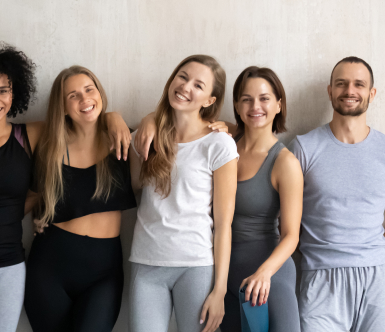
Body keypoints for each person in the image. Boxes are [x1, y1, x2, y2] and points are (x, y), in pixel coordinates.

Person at [0, 46, 132, 332]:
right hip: (10, 262)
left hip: (30, 265)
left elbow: (92, 120)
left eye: (3, 90)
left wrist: (113, 116)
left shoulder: (41, 135)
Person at [292, 56, 385, 331]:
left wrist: (372, 250)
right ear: (330, 90)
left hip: (375, 281)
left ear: (371, 93)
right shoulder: (304, 148)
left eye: (359, 84)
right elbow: (279, 215)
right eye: (341, 84)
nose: (349, 91)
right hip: (319, 279)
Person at [127, 55, 238, 332]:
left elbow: (224, 224)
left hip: (196, 265)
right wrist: (150, 122)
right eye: (183, 76)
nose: (186, 87)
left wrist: (220, 290)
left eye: (198, 85)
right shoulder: (145, 136)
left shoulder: (219, 144)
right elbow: (135, 187)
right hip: (147, 262)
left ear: (209, 100)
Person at [23, 65, 137, 332]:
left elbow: (164, 123)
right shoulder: (48, 144)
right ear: (62, 106)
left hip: (103, 270)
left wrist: (115, 116)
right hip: (49, 265)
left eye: (89, 89)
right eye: (73, 95)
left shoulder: (122, 140)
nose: (84, 99)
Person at [216, 67, 302, 332]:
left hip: (268, 276)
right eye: (246, 99)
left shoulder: (284, 162)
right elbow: (176, 120)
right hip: (223, 273)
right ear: (236, 106)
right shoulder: (222, 143)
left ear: (279, 105)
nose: (256, 106)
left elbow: (291, 235)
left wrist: (265, 273)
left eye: (265, 98)